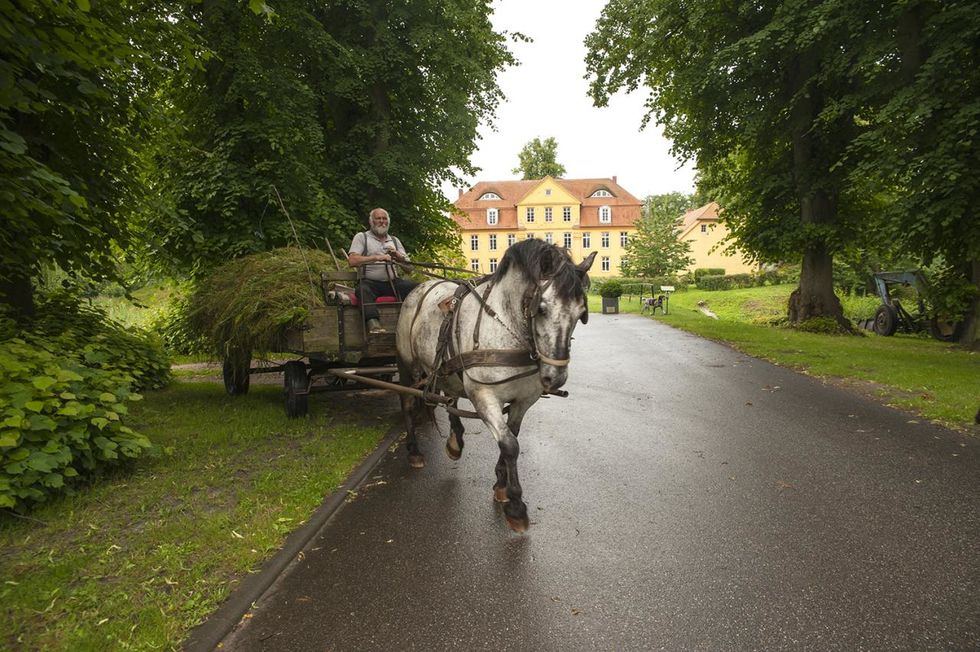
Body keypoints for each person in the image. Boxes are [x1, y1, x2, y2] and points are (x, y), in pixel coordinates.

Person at [347, 208, 417, 333]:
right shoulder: (362, 237)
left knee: (416, 288)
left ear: (388, 222)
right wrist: (377, 257)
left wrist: (398, 256)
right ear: (371, 222)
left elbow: (410, 269)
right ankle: (374, 326)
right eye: (378, 218)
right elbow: (352, 260)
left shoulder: (395, 240)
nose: (382, 221)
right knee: (362, 290)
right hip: (370, 282)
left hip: (392, 282)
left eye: (384, 219)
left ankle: (415, 323)